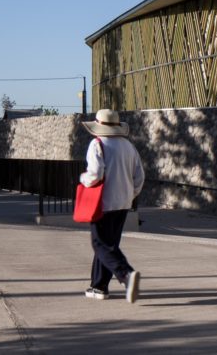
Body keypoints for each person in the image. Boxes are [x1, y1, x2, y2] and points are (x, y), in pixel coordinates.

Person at [78, 108, 145, 303]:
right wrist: (131, 194)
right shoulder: (128, 146)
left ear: (98, 125)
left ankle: (126, 274)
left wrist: (83, 179)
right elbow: (139, 176)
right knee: (109, 244)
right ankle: (99, 286)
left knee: (100, 244)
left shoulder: (97, 143)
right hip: (123, 202)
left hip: (103, 202)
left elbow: (95, 174)